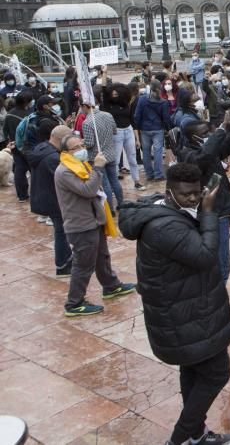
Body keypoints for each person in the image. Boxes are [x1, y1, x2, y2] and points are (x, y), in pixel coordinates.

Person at [118, 163, 230, 445]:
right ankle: (180, 438)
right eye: (186, 195)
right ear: (170, 192)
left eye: (197, 194)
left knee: (193, 371)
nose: (193, 200)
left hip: (185, 309)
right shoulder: (165, 226)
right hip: (184, 317)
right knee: (217, 373)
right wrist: (208, 212)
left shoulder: (173, 212)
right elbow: (207, 255)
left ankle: (196, 434)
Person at [55, 133, 135, 317]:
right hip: (81, 225)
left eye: (81, 145)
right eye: (76, 148)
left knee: (102, 256)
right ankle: (74, 303)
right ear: (66, 152)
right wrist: (98, 169)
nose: (81, 150)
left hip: (93, 220)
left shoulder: (78, 165)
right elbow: (88, 190)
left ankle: (111, 286)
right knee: (83, 265)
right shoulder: (65, 170)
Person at [177, 114, 230, 286]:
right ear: (194, 137)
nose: (210, 135)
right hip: (210, 214)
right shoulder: (189, 154)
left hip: (220, 210)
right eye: (205, 133)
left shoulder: (208, 149)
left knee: (222, 262)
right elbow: (206, 156)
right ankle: (216, 301)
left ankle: (216, 298)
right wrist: (221, 129)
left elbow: (229, 145)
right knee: (220, 264)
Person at [28, 122, 74, 276]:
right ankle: (63, 265)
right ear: (61, 139)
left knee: (61, 230)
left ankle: (66, 259)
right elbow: (65, 180)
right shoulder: (53, 157)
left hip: (44, 197)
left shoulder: (41, 148)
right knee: (61, 231)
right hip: (53, 199)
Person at [105, 84, 144, 191]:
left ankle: (136, 181)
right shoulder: (108, 105)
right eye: (113, 94)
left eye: (116, 94)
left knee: (132, 158)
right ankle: (115, 185)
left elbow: (133, 121)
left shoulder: (127, 104)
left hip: (129, 131)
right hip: (116, 132)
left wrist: (137, 139)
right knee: (116, 160)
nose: (114, 96)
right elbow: (104, 90)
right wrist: (103, 74)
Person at [133, 79, 171, 181]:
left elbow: (136, 116)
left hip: (145, 129)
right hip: (158, 128)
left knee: (146, 152)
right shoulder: (163, 102)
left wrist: (139, 126)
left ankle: (149, 174)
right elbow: (166, 118)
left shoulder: (142, 99)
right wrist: (166, 128)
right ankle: (158, 174)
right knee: (158, 152)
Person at [4, 91, 32, 202]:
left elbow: (5, 130)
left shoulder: (9, 113)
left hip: (14, 146)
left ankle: (22, 195)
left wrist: (10, 140)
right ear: (26, 102)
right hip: (28, 146)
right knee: (33, 170)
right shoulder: (28, 115)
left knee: (19, 170)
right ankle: (35, 193)